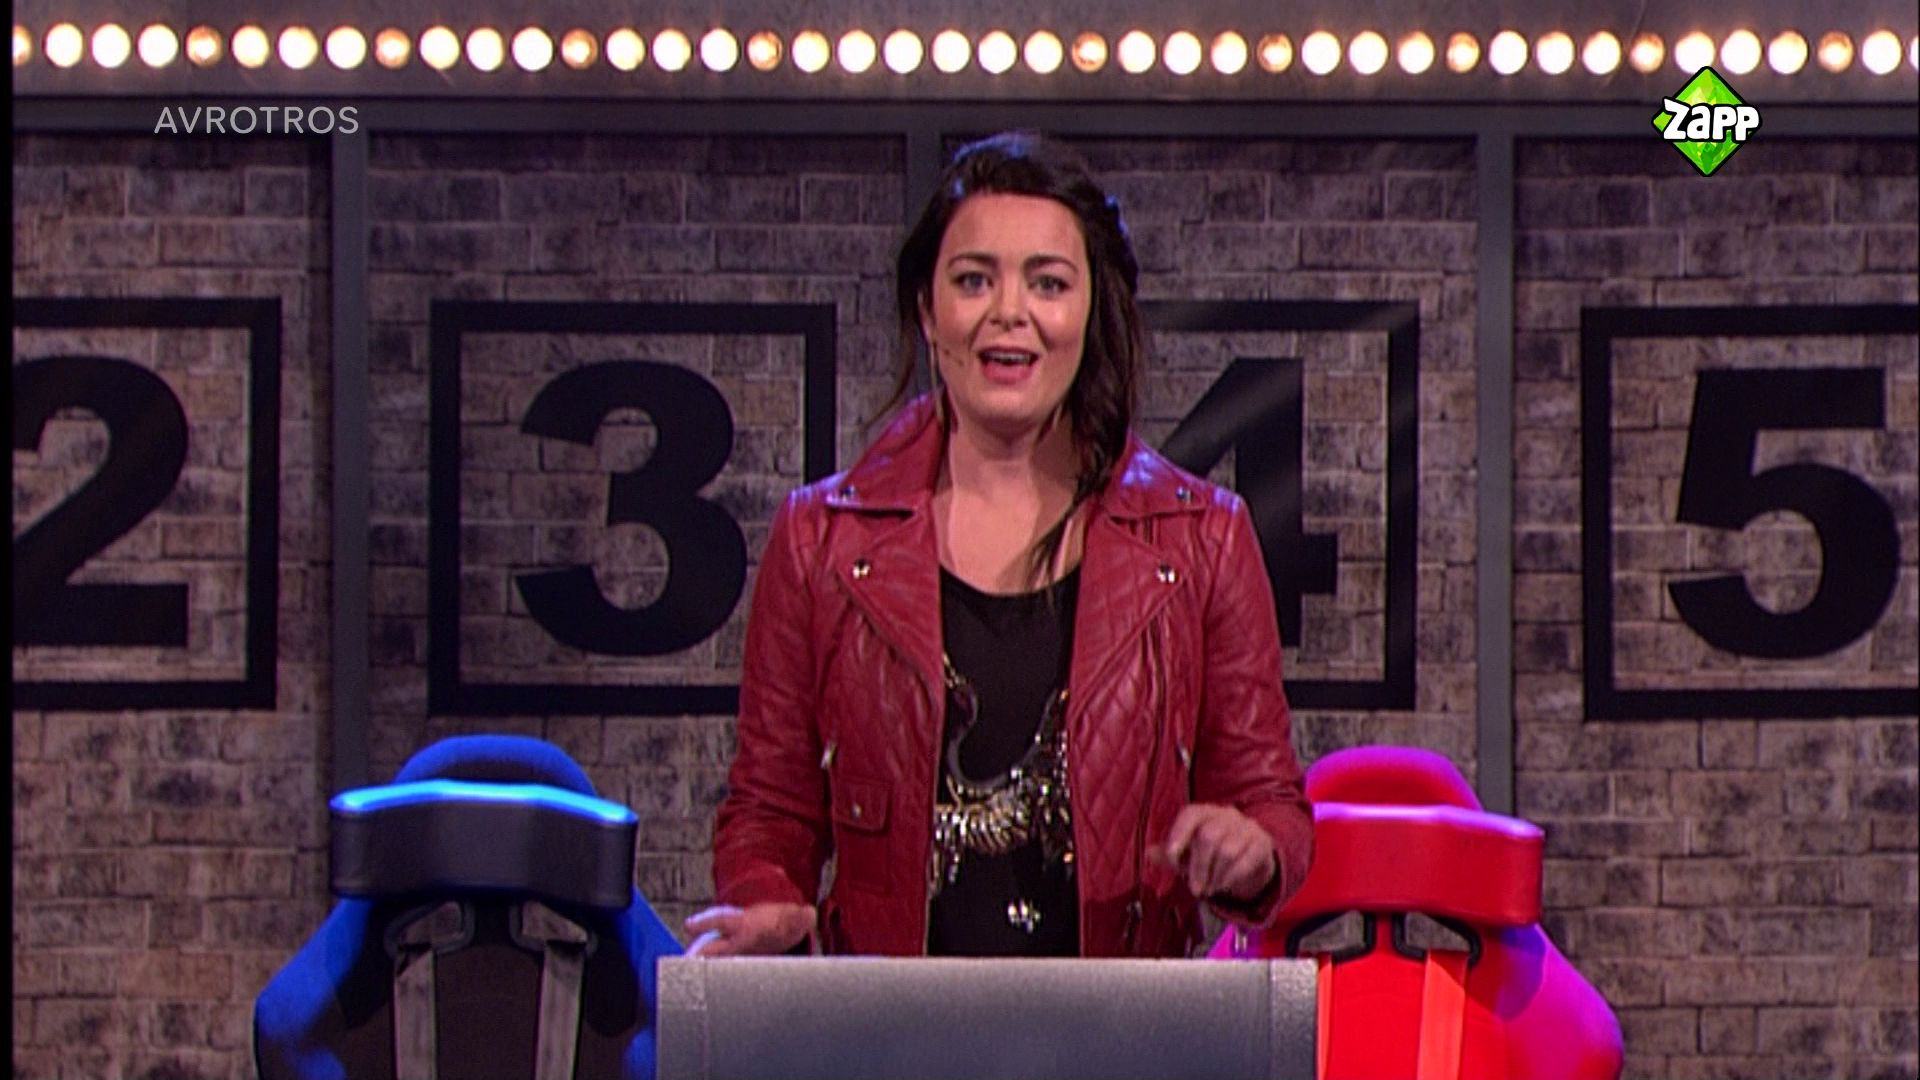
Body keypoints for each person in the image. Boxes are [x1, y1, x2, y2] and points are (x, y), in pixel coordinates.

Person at [687, 131, 1312, 958]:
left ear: (1091, 310)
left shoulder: (1204, 538)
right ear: (928, 309)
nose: (1008, 312)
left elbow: (1272, 806)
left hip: (1121, 1020)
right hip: (887, 1022)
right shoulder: (818, 540)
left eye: (1048, 283)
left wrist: (1249, 849)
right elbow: (770, 810)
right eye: (973, 280)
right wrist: (767, 900)